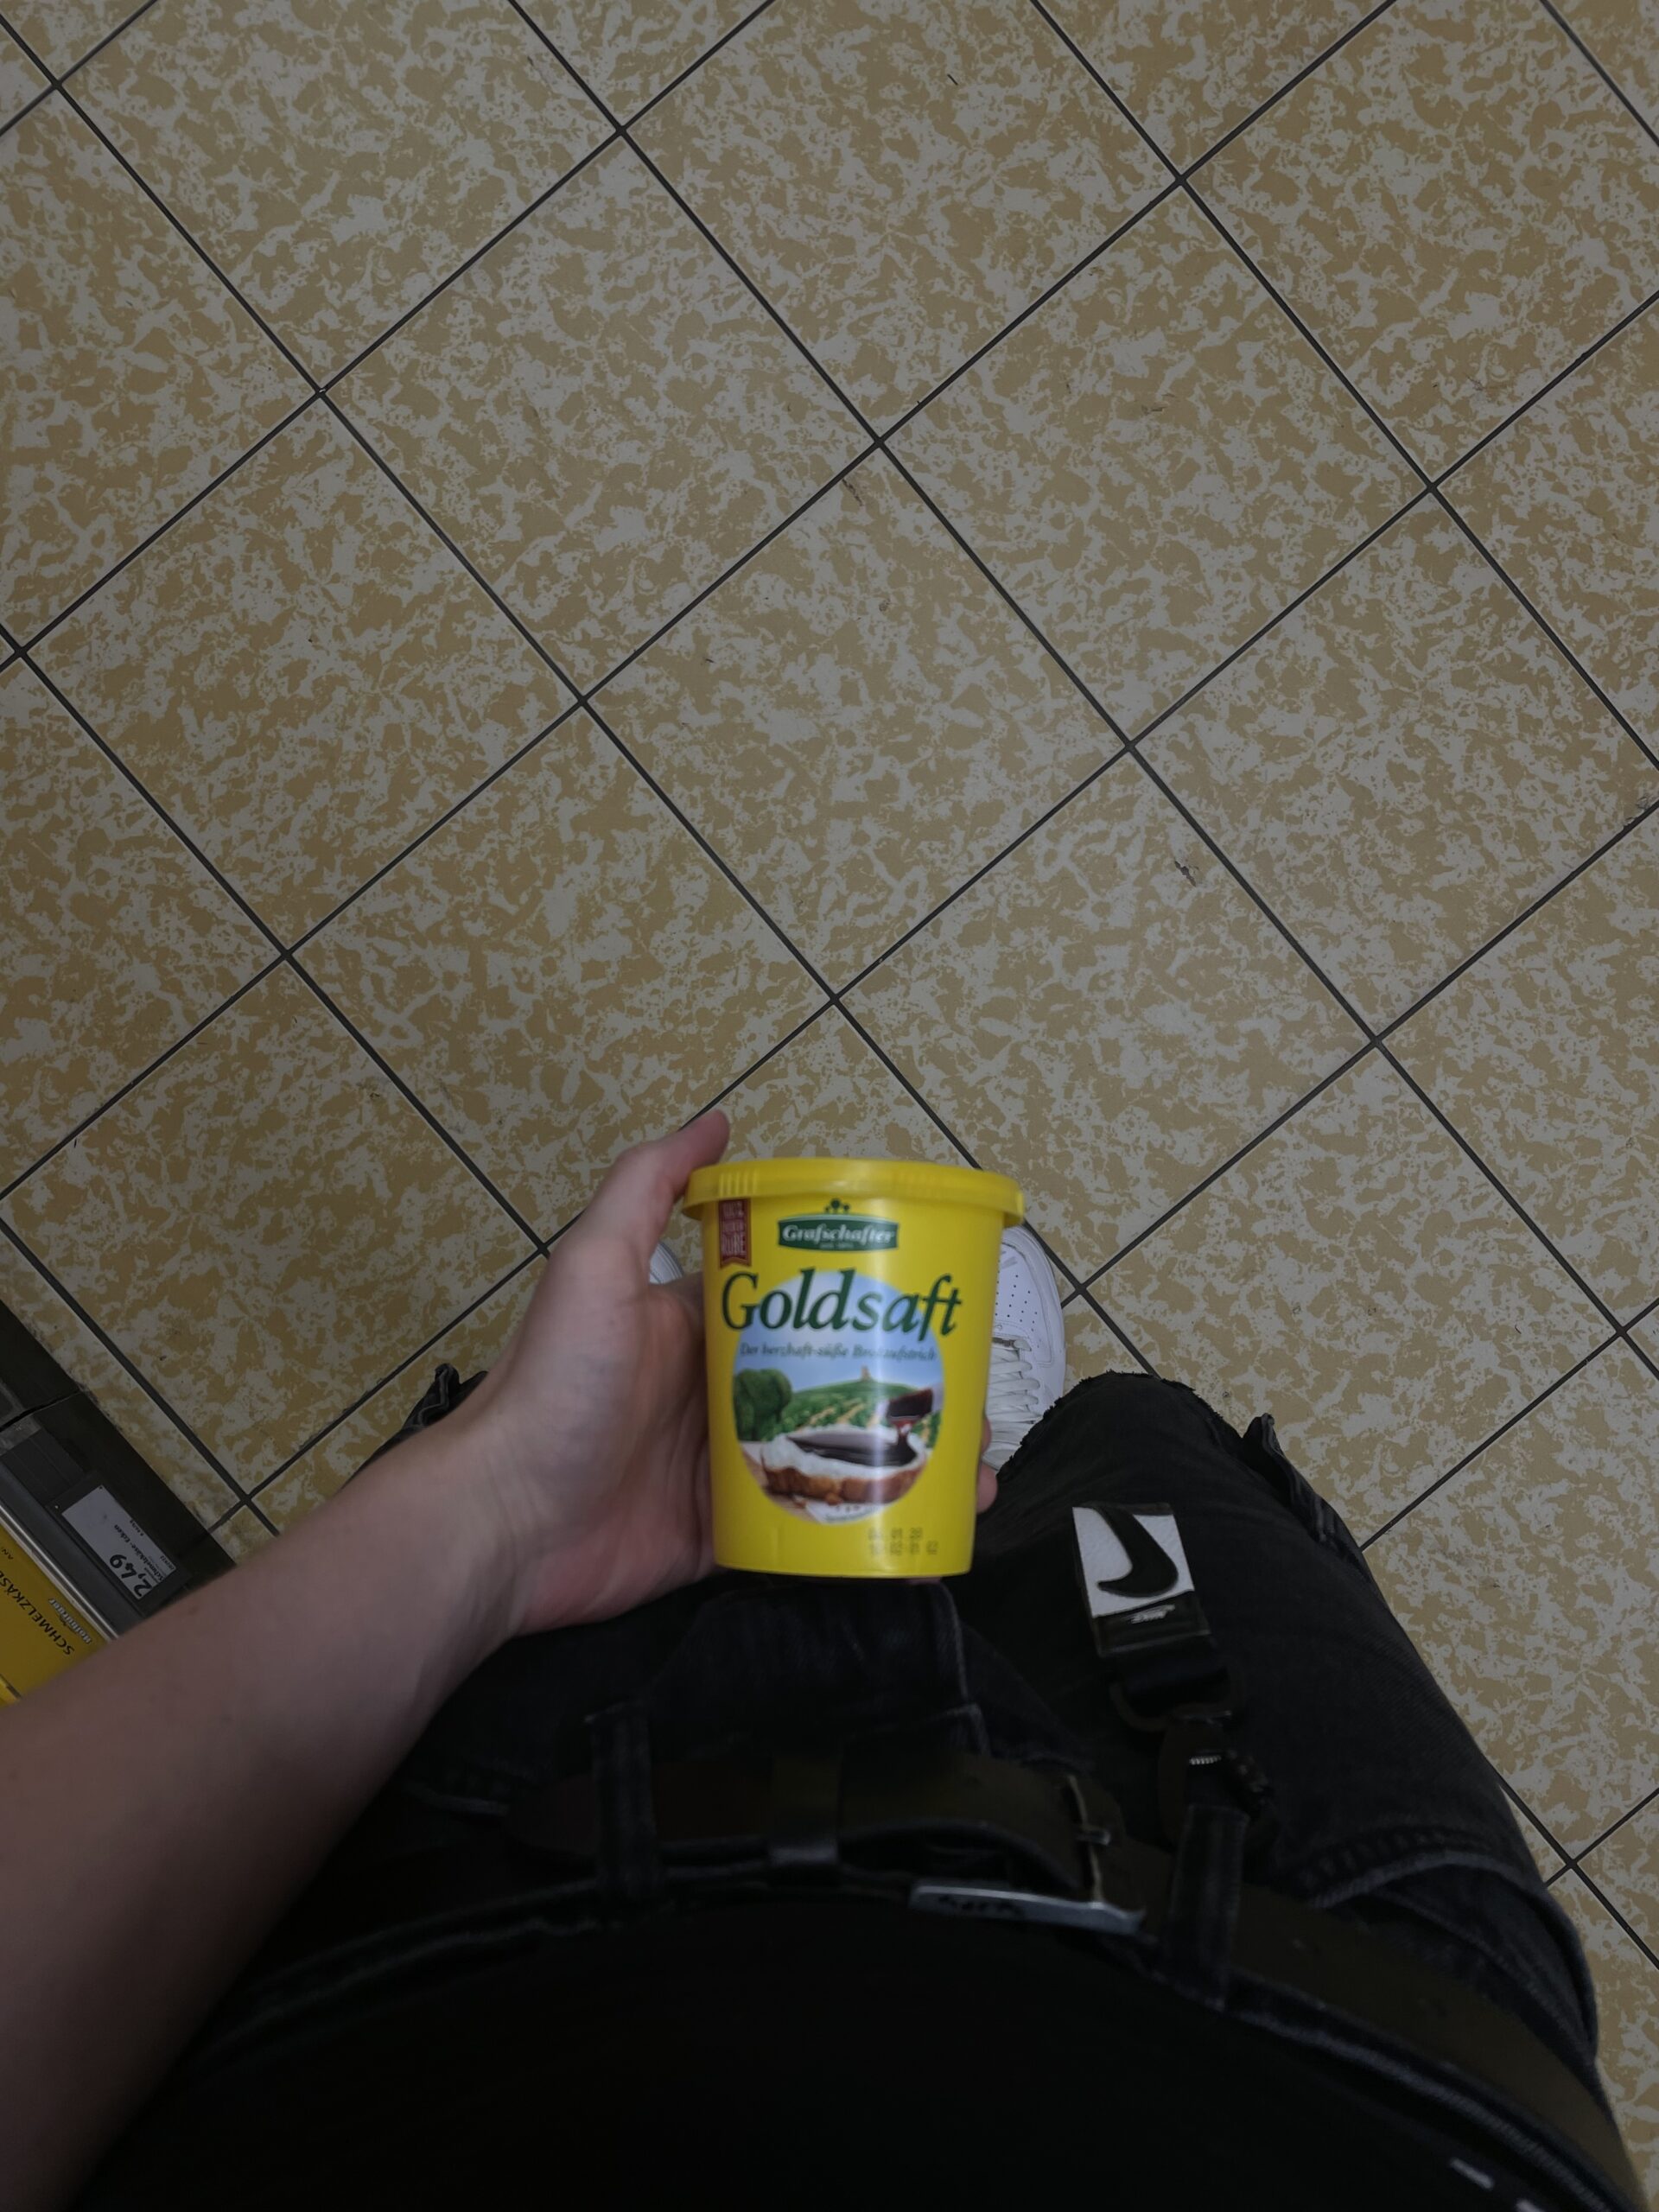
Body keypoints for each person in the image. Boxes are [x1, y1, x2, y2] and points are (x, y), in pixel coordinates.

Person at [0, 1114, 1640, 2210]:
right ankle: (981, 1457)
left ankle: (889, 1468)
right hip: (1340, 2021)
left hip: (459, 1929)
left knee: (572, 1623)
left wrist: (498, 1511)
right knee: (1137, 1456)